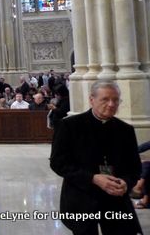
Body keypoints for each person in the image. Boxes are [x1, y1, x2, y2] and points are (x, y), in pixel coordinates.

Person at [50, 81, 142, 234]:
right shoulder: (69, 126)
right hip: (82, 196)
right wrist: (93, 178)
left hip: (116, 199)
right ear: (92, 99)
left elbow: (134, 168)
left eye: (116, 100)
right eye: (105, 99)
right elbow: (58, 163)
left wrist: (126, 183)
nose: (111, 104)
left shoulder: (125, 130)